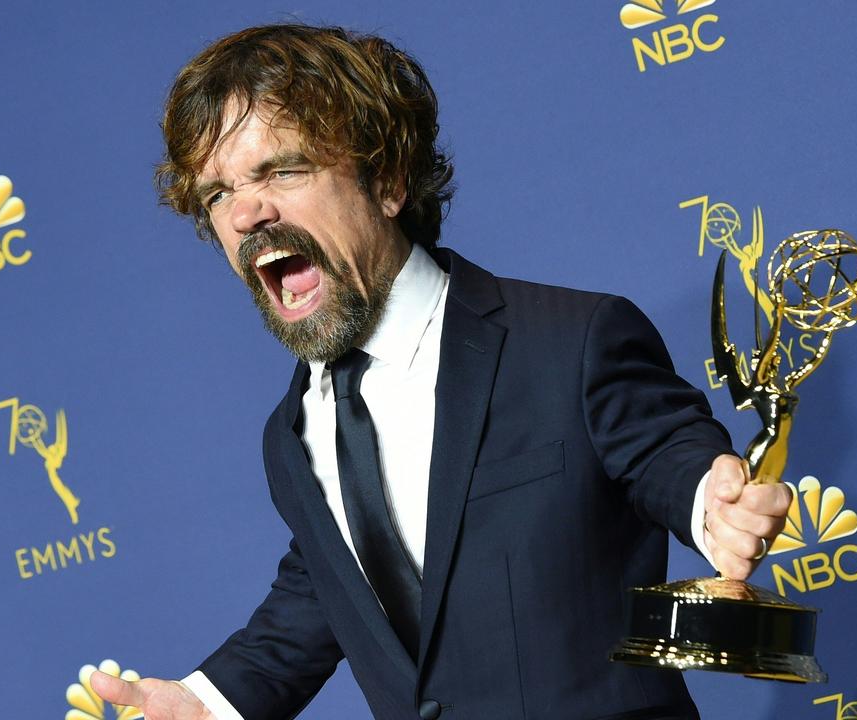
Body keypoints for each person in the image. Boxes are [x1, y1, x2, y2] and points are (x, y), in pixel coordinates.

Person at [91, 23, 792, 720]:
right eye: (217, 193)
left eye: (283, 169)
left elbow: (665, 453)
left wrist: (713, 504)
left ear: (388, 180)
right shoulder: (291, 432)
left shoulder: (567, 340)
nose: (245, 212)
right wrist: (206, 701)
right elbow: (323, 589)